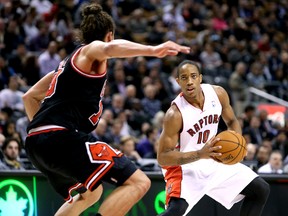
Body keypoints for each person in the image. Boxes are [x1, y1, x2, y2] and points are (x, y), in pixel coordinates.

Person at [22, 3, 190, 216]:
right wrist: (153, 50)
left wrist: (41, 134)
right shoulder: (91, 50)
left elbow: (30, 96)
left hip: (36, 142)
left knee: (90, 193)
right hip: (60, 136)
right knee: (139, 182)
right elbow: (107, 49)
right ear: (109, 35)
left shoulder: (64, 67)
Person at [157, 60, 270, 216]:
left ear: (200, 78)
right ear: (178, 82)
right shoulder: (174, 114)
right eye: (184, 78)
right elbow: (163, 158)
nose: (189, 82)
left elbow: (231, 121)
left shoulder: (217, 94)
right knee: (176, 211)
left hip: (214, 158)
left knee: (260, 190)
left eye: (193, 76)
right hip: (186, 168)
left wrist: (240, 144)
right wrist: (199, 154)